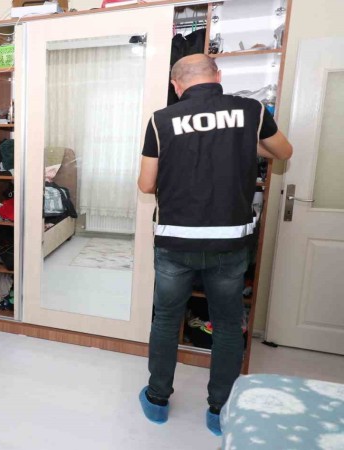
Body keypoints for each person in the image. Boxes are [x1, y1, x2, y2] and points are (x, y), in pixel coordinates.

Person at [137, 54, 292, 436]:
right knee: (226, 324)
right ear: (217, 76)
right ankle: (219, 410)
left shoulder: (161, 120)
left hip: (176, 240)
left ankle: (157, 400)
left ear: (176, 85)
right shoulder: (251, 111)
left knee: (166, 319)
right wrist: (243, 146)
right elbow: (284, 152)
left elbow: (146, 183)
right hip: (229, 242)